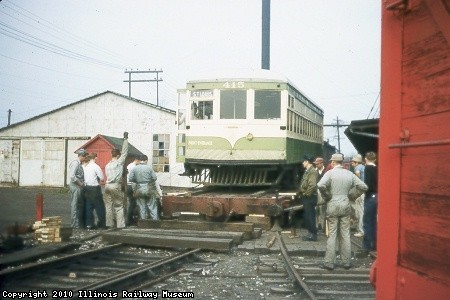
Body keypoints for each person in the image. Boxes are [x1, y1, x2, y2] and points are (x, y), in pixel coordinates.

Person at [317, 153, 367, 270]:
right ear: (342, 162)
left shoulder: (329, 173)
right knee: (345, 234)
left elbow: (320, 185)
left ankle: (329, 262)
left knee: (333, 233)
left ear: (333, 162)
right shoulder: (349, 174)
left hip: (333, 205)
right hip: (345, 205)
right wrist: (352, 196)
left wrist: (327, 196)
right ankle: (346, 262)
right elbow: (363, 187)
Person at [104, 132, 129, 228]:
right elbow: (125, 152)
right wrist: (125, 139)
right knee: (119, 205)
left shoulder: (107, 165)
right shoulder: (118, 163)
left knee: (108, 206)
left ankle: (109, 224)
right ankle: (120, 225)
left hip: (107, 185)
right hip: (115, 185)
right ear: (118, 155)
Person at [129, 154, 160, 220]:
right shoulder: (149, 168)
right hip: (148, 188)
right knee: (152, 206)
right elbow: (154, 178)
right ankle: (155, 221)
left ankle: (143, 221)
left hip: (139, 188)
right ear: (146, 160)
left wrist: (137, 180)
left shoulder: (135, 168)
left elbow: (130, 178)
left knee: (141, 206)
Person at [297, 154, 319, 241]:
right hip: (307, 197)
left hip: (309, 198)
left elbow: (312, 185)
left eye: (303, 161)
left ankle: (313, 234)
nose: (302, 163)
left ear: (307, 161)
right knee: (308, 215)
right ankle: (310, 233)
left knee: (310, 216)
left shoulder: (312, 171)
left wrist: (306, 194)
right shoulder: (308, 171)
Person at [83, 153, 106, 229]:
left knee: (89, 207)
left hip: (87, 187)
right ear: (95, 158)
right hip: (95, 188)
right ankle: (102, 224)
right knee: (100, 207)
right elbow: (102, 178)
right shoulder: (96, 167)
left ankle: (89, 224)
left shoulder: (86, 167)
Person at [68, 149, 88, 228]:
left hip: (78, 186)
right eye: (85, 156)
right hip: (75, 186)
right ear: (81, 156)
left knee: (78, 205)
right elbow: (72, 175)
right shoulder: (75, 163)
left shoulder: (79, 164)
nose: (85, 158)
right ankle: (74, 225)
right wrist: (80, 183)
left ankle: (77, 224)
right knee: (75, 205)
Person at [362, 151, 378, 252]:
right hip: (378, 196)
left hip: (370, 197)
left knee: (367, 221)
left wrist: (365, 195)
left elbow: (367, 185)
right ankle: (375, 244)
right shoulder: (378, 168)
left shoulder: (367, 168)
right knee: (375, 222)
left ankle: (367, 245)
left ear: (366, 159)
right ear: (375, 159)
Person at [351, 154, 365, 237]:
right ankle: (359, 227)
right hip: (364, 190)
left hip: (360, 191)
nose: (352, 164)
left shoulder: (358, 168)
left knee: (360, 211)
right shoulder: (363, 167)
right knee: (361, 210)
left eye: (352, 162)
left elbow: (357, 176)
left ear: (356, 162)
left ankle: (361, 230)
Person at [314, 157, 327, 232]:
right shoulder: (315, 171)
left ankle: (322, 226)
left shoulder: (326, 171)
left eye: (318, 164)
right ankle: (316, 226)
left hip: (323, 192)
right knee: (316, 209)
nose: (316, 165)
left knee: (322, 209)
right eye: (316, 164)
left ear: (322, 163)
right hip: (316, 191)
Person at [126, 156, 140, 226]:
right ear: (137, 160)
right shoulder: (134, 167)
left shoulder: (129, 165)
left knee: (131, 203)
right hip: (132, 186)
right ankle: (129, 219)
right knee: (133, 204)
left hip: (128, 185)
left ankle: (130, 219)